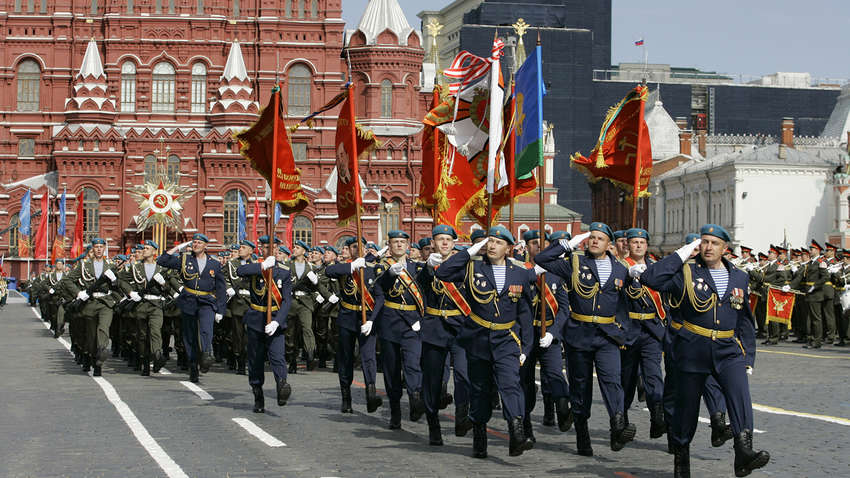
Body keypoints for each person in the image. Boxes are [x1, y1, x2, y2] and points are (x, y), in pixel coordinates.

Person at [637, 224, 769, 478]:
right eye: (704, 242)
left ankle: (744, 452)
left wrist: (748, 357)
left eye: (714, 243)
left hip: (728, 350)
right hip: (692, 348)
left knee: (740, 396)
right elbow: (650, 279)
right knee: (687, 408)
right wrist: (682, 253)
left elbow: (744, 319)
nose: (708, 247)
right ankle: (681, 458)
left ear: (725, 248)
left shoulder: (739, 276)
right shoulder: (686, 271)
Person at [534, 223, 634, 456]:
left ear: (609, 244)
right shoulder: (575, 262)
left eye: (600, 238)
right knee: (581, 386)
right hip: (579, 334)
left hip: (607, 335)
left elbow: (625, 302)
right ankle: (582, 434)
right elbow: (541, 259)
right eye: (592, 237)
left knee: (612, 380)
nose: (595, 241)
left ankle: (618, 426)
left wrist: (623, 329)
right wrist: (566, 245)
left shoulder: (621, 268)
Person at [435, 226, 534, 458]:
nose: (492, 246)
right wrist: (469, 252)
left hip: (506, 339)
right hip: (478, 338)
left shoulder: (519, 273)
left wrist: (526, 346)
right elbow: (443, 273)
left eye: (498, 242)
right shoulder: (473, 267)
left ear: (508, 248)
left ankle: (516, 432)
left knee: (510, 384)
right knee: (479, 389)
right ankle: (479, 435)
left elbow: (525, 313)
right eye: (490, 241)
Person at [418, 224, 472, 445]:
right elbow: (419, 286)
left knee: (463, 375)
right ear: (433, 243)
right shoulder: (427, 266)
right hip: (435, 328)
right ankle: (434, 425)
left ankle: (462, 417)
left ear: (453, 243)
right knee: (432, 379)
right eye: (440, 239)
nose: (444, 243)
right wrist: (427, 268)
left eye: (448, 240)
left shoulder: (465, 266)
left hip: (460, 327)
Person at [520, 230, 572, 444]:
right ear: (527, 247)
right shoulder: (520, 271)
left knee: (555, 375)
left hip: (548, 334)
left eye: (544, 243)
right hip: (526, 336)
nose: (539, 247)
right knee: (525, 383)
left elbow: (564, 309)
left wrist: (553, 332)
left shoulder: (556, 274)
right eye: (534, 243)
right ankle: (525, 427)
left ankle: (563, 409)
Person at [324, 237, 385, 414]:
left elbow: (380, 296)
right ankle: (346, 397)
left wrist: (372, 319)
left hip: (367, 318)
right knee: (346, 358)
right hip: (347, 318)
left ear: (366, 249)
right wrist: (351, 267)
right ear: (349, 250)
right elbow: (329, 271)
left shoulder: (373, 268)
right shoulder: (345, 267)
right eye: (353, 247)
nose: (358, 249)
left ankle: (371, 394)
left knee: (368, 357)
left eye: (361, 247)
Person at [157, 233, 227, 383]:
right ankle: (193, 365)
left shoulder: (214, 264)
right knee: (189, 336)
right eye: (194, 242)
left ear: (205, 246)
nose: (196, 245)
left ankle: (206, 355)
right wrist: (177, 248)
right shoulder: (185, 260)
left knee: (206, 330)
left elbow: (221, 288)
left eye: (199, 243)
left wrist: (221, 310)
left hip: (206, 302)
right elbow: (162, 260)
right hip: (189, 301)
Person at [236, 240, 293, 413]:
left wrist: (277, 321)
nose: (270, 250)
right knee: (255, 360)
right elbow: (240, 271)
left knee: (277, 356)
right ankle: (258, 394)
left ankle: (281, 384)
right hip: (256, 320)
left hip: (274, 320)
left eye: (273, 247)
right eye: (266, 247)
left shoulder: (284, 271)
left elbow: (287, 300)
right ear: (261, 249)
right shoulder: (255, 267)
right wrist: (262, 266)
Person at [621, 228, 666, 439]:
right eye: (634, 242)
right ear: (628, 245)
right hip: (628, 330)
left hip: (651, 330)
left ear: (647, 245)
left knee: (653, 375)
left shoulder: (655, 268)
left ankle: (657, 418)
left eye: (642, 242)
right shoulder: (620, 267)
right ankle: (621, 421)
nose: (638, 246)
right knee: (627, 379)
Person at [65, 238, 122, 376]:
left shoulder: (111, 265)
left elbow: (120, 284)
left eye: (101, 247)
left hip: (105, 303)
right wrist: (78, 293)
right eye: (96, 247)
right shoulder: (84, 265)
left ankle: (101, 355)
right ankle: (90, 355)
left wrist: (115, 280)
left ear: (104, 249)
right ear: (93, 248)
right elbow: (67, 280)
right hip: (89, 303)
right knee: (90, 336)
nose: (98, 249)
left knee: (103, 328)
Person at [117, 240, 169, 376]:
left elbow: (169, 288)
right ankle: (144, 361)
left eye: (147, 248)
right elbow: (121, 280)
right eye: (144, 248)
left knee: (155, 331)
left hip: (156, 305)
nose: (144, 250)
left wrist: (164, 283)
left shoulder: (162, 268)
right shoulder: (135, 268)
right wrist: (130, 292)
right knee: (142, 335)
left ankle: (157, 356)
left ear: (154, 251)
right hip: (141, 305)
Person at [284, 239, 323, 372]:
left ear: (303, 251)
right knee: (290, 333)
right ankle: (292, 360)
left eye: (297, 248)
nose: (294, 249)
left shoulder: (311, 267)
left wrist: (316, 286)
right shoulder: (287, 265)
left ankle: (310, 354)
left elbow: (315, 286)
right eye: (294, 247)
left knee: (307, 329)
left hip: (305, 302)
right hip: (291, 301)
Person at [223, 240, 254, 374]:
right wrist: (228, 288)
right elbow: (223, 278)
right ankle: (238, 358)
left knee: (249, 335)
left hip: (251, 303)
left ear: (251, 251)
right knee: (237, 334)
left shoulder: (256, 265)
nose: (240, 249)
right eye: (240, 247)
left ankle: (245, 359)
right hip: (237, 302)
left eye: (243, 247)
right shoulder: (232, 264)